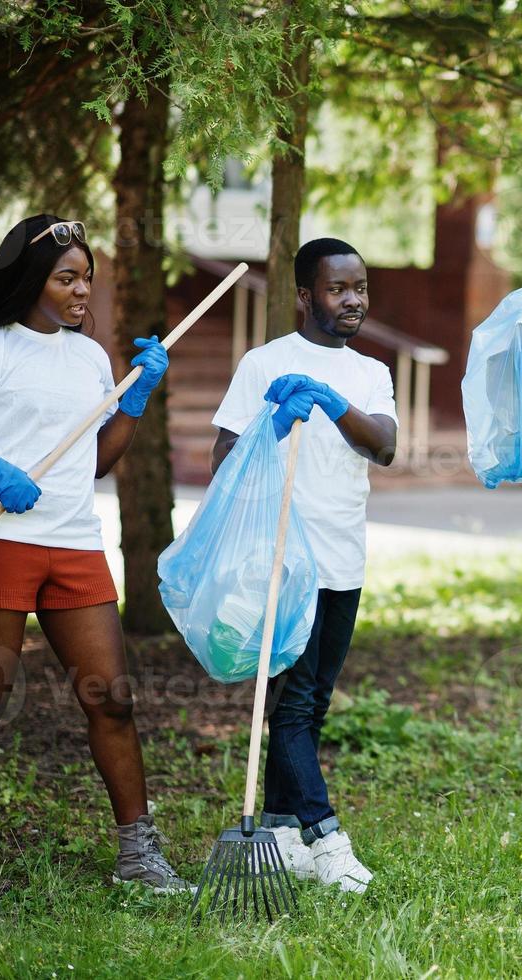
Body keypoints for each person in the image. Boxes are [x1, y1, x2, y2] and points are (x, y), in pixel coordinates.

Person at [0, 214, 188, 900]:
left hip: (73, 543)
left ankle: (138, 851)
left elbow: (89, 462)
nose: (81, 290)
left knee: (111, 699)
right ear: (31, 280)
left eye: (87, 277)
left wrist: (136, 398)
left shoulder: (89, 358)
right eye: (67, 278)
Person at [211, 238, 397, 892]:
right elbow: (224, 458)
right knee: (290, 703)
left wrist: (325, 398)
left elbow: (385, 446)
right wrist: (272, 427)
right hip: (285, 557)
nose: (352, 301)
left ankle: (282, 828)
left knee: (312, 703)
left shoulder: (371, 373)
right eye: (337, 289)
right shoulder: (264, 365)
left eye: (360, 288)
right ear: (303, 296)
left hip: (345, 557)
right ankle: (324, 832)